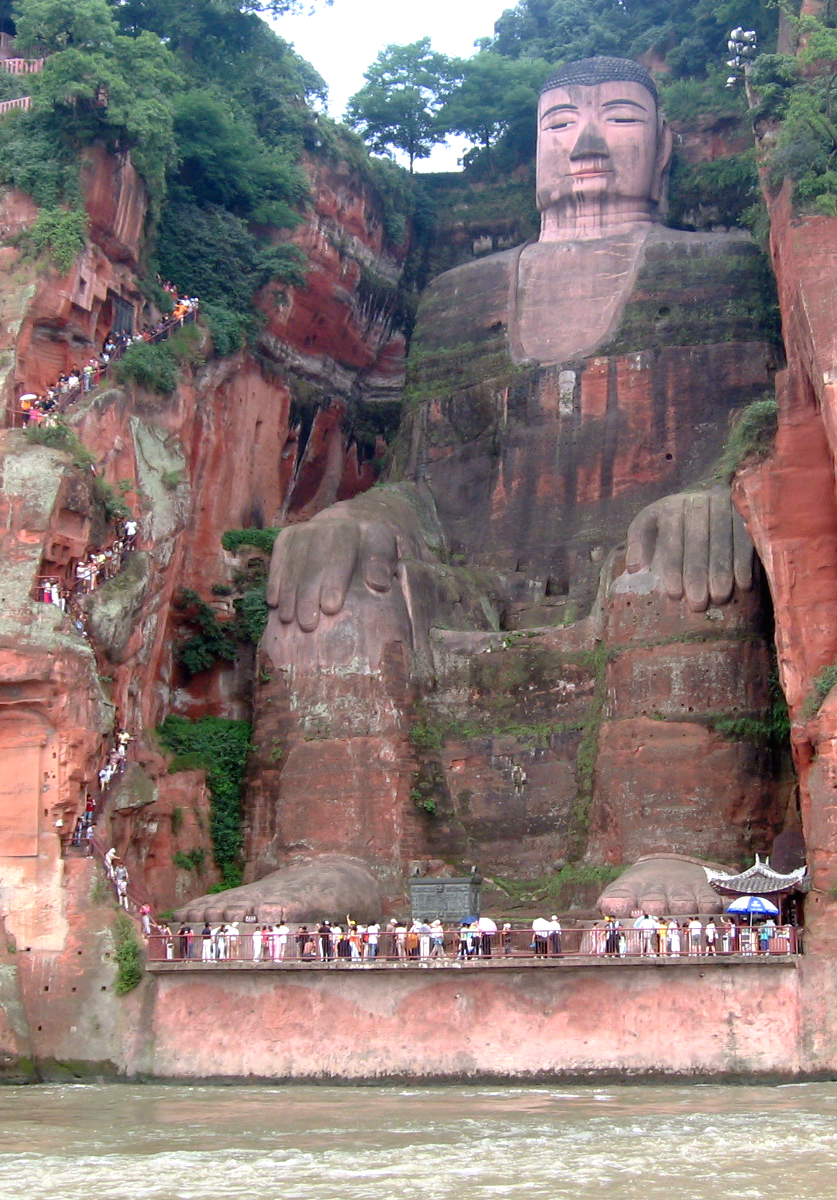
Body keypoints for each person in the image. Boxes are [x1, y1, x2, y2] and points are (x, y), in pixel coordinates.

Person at [243, 56, 780, 921]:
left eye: (621, 118)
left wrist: (720, 496)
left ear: (668, 146)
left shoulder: (719, 269)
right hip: (471, 588)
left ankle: (674, 847)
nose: (590, 142)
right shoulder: (458, 300)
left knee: (681, 573)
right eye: (562, 123)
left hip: (640, 561)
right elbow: (417, 483)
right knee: (331, 590)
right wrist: (354, 516)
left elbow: (762, 437)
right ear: (535, 147)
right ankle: (342, 858)